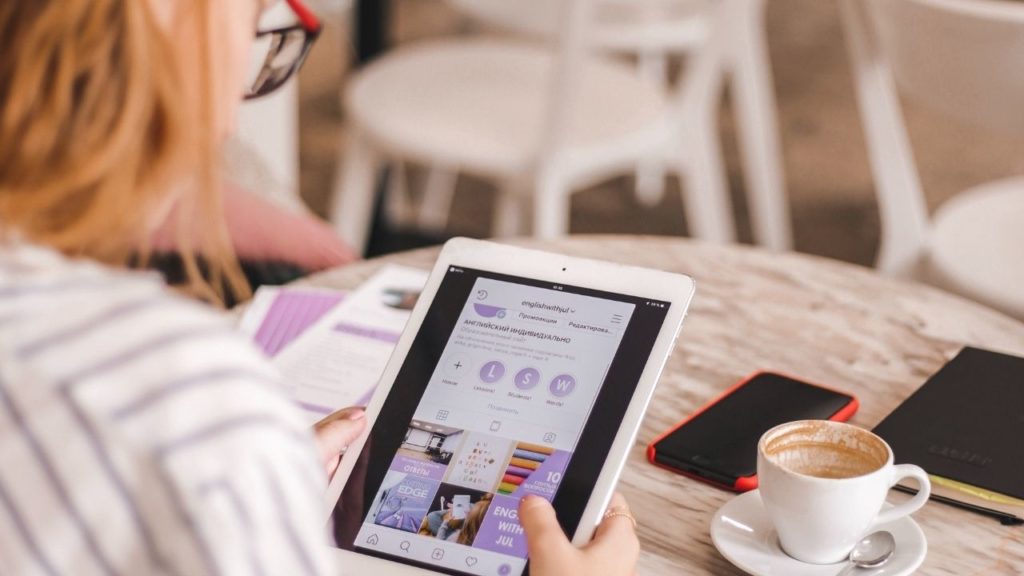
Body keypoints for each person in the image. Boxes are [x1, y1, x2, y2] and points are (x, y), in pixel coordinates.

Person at [0, 1, 641, 575]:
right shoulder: (179, 399)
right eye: (253, 31)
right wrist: (229, 468)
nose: (227, 120)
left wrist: (248, 499)